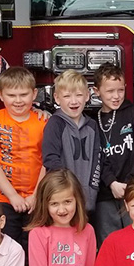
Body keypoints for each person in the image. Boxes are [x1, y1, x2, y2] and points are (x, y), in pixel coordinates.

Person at [0, 67, 48, 243]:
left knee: (34, 246)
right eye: (11, 95)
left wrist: (36, 195)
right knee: (6, 247)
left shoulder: (43, 122)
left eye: (23, 95)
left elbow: (47, 162)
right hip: (3, 199)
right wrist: (12, 195)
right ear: (0, 95)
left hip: (36, 199)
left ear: (34, 94)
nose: (18, 101)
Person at [94, 63, 134, 243]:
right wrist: (111, 182)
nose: (116, 96)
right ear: (97, 91)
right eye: (110, 91)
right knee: (109, 242)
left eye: (120, 90)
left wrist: (129, 182)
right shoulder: (93, 122)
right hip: (105, 192)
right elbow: (97, 156)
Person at [42, 69, 101, 212]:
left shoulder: (92, 125)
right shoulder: (55, 124)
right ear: (57, 98)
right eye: (67, 96)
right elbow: (50, 159)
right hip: (64, 198)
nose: (73, 101)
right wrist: (67, 189)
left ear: (87, 96)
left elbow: (97, 159)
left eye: (79, 95)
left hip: (88, 197)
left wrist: (93, 189)